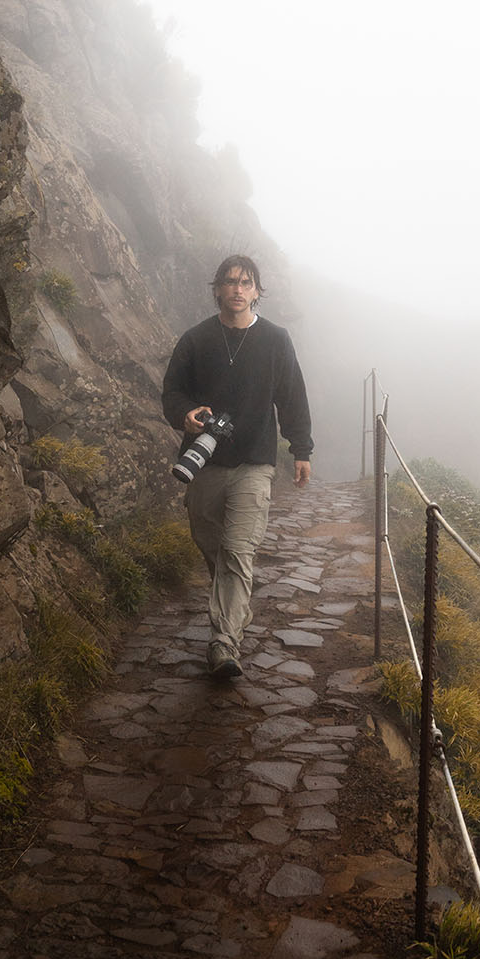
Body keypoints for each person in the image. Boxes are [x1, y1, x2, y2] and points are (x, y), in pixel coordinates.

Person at [160, 254, 313, 679]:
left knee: (237, 550)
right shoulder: (195, 340)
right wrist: (186, 414)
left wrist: (301, 449)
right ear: (217, 290)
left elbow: (293, 396)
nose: (237, 289)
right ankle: (234, 605)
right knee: (212, 545)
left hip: (254, 464)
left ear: (258, 290)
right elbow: (172, 392)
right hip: (204, 464)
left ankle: (224, 643)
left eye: (245, 282)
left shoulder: (276, 340)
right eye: (229, 282)